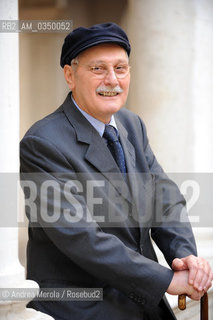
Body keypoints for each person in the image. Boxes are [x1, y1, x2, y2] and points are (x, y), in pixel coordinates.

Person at [20, 22, 212, 320]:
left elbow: (165, 200)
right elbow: (81, 237)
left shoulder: (131, 125)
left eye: (121, 69)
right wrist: (167, 280)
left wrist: (183, 257)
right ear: (70, 75)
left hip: (142, 302)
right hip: (81, 308)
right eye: (98, 69)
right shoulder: (42, 143)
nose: (112, 80)